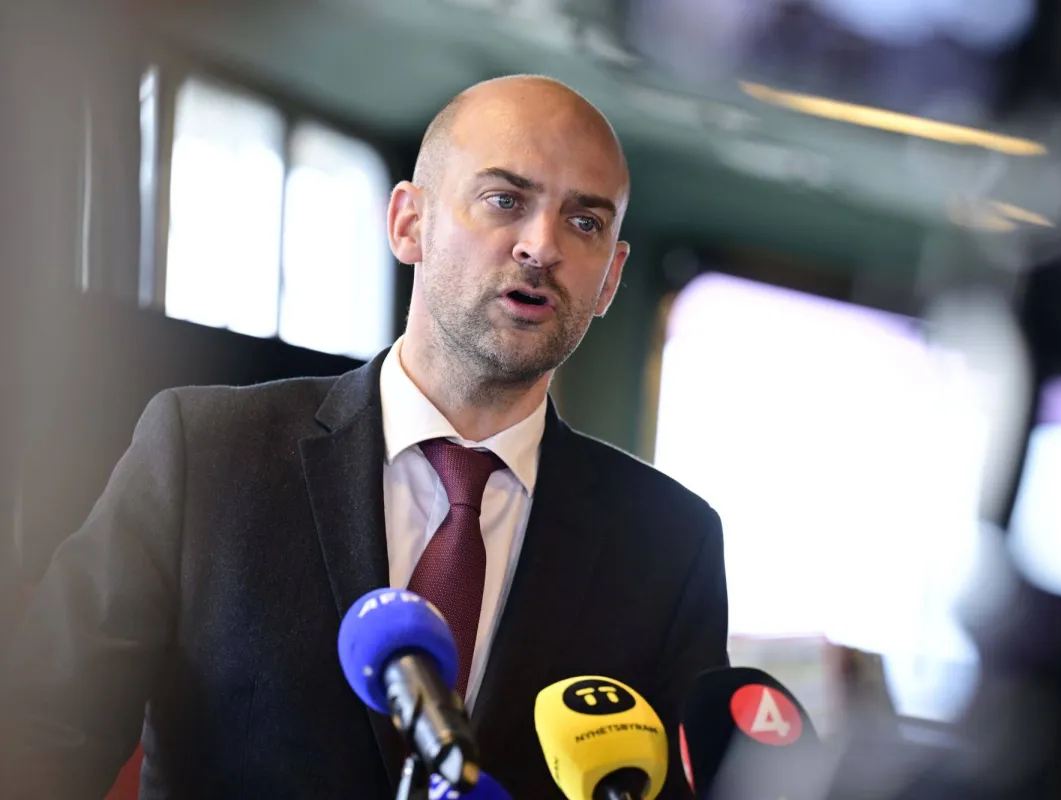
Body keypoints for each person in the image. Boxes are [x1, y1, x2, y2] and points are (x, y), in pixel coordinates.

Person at [0, 74, 729, 799]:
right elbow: (39, 741)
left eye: (585, 222)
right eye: (505, 200)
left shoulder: (669, 546)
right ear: (409, 223)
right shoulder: (207, 453)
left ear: (611, 280)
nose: (541, 246)